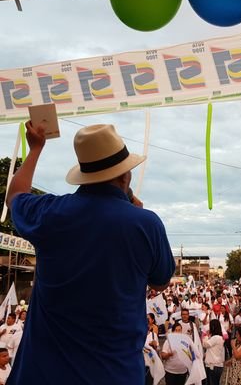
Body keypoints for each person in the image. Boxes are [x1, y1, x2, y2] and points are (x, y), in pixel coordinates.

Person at [5, 122, 176, 385]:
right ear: (125, 176)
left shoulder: (50, 213)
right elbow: (160, 281)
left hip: (42, 373)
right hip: (115, 374)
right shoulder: (146, 224)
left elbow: (15, 194)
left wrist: (36, 148)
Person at [203, 319, 225, 385]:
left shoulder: (216, 337)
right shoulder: (219, 337)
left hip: (213, 366)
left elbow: (205, 344)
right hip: (217, 365)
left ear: (212, 327)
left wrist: (206, 336)